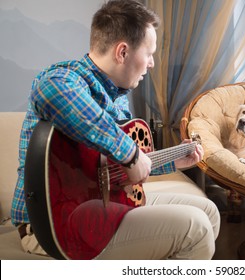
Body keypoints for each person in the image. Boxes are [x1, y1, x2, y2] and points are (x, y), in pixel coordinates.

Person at [11, 0, 220, 260]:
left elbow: (110, 173)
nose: (152, 64)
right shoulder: (62, 78)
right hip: (53, 225)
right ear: (122, 52)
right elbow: (54, 94)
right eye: (149, 53)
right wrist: (131, 154)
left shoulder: (119, 96)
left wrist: (170, 161)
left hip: (102, 206)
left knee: (209, 211)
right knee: (196, 229)